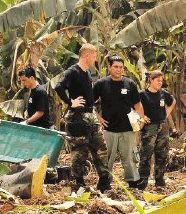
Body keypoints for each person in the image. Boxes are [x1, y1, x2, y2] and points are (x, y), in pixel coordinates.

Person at [54, 43, 110, 191]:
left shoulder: (87, 73)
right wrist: (70, 102)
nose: (95, 58)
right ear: (86, 55)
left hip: (90, 115)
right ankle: (79, 183)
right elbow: (59, 87)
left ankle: (104, 181)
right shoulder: (72, 71)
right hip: (77, 118)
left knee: (100, 147)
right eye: (94, 55)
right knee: (80, 151)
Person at [93, 55, 144, 188]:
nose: (118, 69)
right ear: (109, 68)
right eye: (115, 67)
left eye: (121, 67)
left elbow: (137, 105)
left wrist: (141, 120)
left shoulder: (130, 84)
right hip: (108, 129)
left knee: (129, 158)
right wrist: (98, 118)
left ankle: (133, 182)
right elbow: (90, 103)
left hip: (127, 128)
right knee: (107, 158)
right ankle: (105, 182)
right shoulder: (101, 84)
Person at [137, 70, 176, 189]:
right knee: (146, 153)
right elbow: (134, 106)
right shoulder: (142, 94)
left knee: (162, 153)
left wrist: (166, 113)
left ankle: (159, 179)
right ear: (151, 80)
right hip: (149, 127)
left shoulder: (163, 93)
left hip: (162, 126)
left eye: (161, 80)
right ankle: (143, 179)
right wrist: (142, 116)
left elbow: (173, 102)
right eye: (157, 80)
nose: (160, 82)